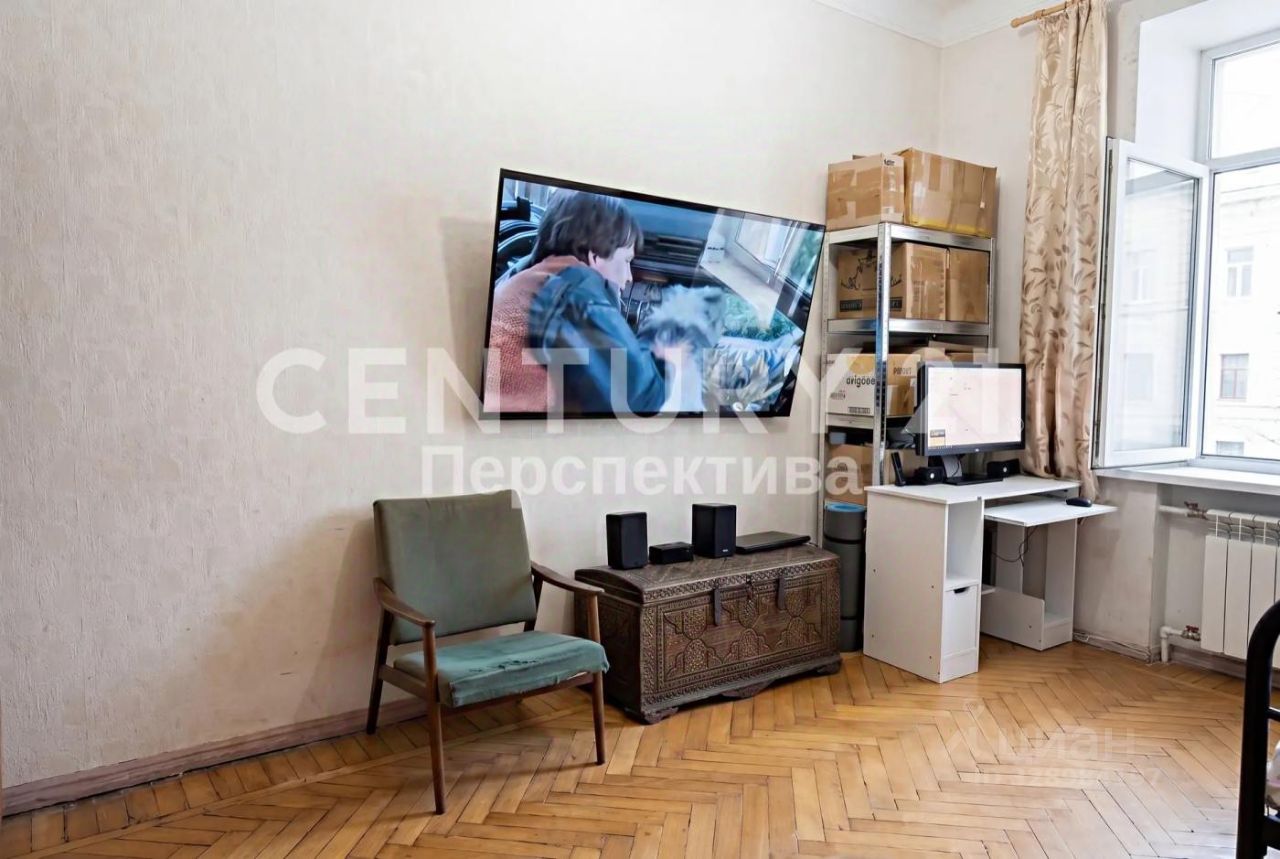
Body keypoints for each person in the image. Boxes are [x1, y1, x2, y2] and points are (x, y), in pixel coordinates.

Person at [485, 190, 667, 414]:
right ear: (596, 256)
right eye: (627, 260)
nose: (629, 277)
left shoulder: (531, 278)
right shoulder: (574, 289)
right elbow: (641, 400)